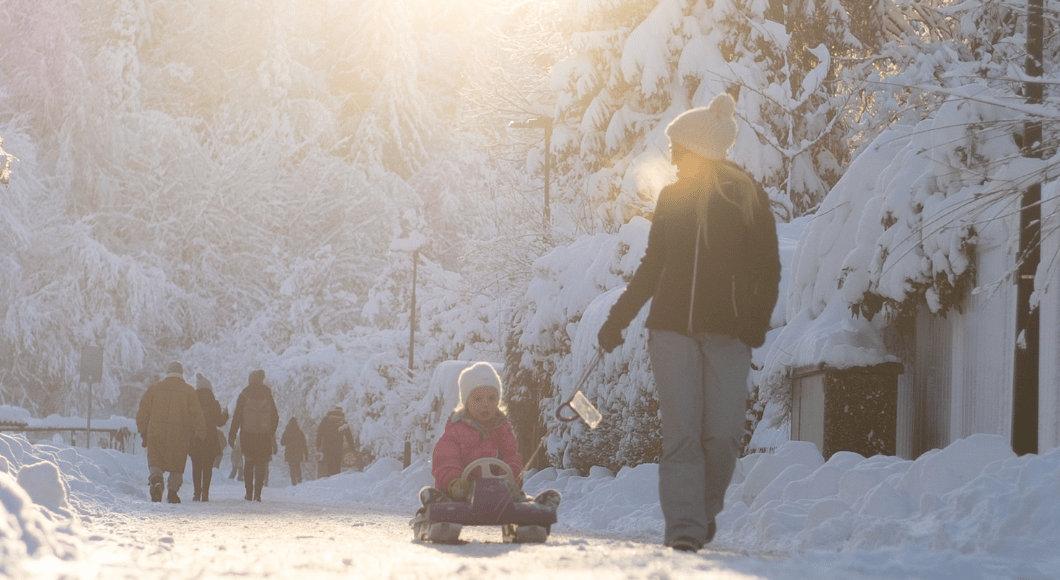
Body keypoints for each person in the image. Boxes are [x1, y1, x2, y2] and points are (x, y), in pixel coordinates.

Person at [597, 93, 781, 553]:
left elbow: (767, 266)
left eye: (678, 146)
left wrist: (756, 321)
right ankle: (684, 525)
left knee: (722, 436)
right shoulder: (673, 197)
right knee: (681, 433)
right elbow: (651, 265)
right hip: (672, 329)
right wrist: (617, 319)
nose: (672, 154)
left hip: (730, 333)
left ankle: (701, 513)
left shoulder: (745, 194)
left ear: (697, 147)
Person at [418, 362, 560, 510]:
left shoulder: (502, 430)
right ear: (466, 402)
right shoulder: (455, 431)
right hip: (462, 492)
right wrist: (454, 481)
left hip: (497, 490)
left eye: (491, 399)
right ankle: (436, 505)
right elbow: (445, 459)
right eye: (478, 399)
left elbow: (511, 456)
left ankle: (537, 510)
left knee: (518, 499)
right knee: (447, 501)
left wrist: (509, 479)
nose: (485, 404)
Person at [136, 361, 208, 504]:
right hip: (179, 434)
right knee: (177, 463)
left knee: (156, 460)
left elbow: (143, 412)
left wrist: (143, 431)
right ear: (181, 373)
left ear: (167, 372)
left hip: (157, 432)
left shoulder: (155, 389)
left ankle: (156, 479)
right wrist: (200, 434)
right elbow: (197, 415)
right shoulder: (189, 391)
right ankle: (173, 491)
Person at [228, 369, 279, 501]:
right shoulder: (267, 394)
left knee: (249, 462)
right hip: (264, 435)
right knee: (261, 462)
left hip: (248, 434)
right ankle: (258, 493)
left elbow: (237, 416)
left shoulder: (244, 394)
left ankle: (248, 492)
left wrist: (232, 434)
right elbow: (275, 416)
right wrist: (270, 431)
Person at [189, 372, 229, 501]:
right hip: (210, 439)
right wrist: (226, 415)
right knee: (207, 468)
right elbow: (219, 422)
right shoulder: (214, 403)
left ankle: (196, 493)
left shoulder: (192, 402)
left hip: (196, 438)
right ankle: (205, 493)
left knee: (196, 466)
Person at [315, 407, 354, 477]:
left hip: (326, 446)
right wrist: (352, 447)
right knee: (337, 465)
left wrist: (318, 444)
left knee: (329, 464)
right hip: (338, 447)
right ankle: (335, 479)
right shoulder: (342, 420)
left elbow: (319, 432)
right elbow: (348, 435)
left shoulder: (326, 419)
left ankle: (329, 478)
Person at [280, 417, 309, 485]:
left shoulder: (287, 432)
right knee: (298, 467)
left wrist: (288, 442)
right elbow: (304, 444)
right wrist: (306, 455)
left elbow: (282, 442)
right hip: (298, 453)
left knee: (292, 468)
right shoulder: (300, 432)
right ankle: (299, 482)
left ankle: (294, 482)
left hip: (289, 453)